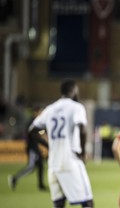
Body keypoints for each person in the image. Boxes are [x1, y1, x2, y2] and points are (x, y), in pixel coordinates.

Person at [28, 79, 94, 208]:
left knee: (58, 204)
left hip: (53, 163)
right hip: (70, 160)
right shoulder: (76, 107)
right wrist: (82, 152)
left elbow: (32, 131)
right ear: (74, 91)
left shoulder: (50, 109)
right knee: (87, 202)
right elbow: (83, 129)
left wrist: (48, 146)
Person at [8, 106, 48, 191]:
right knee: (31, 166)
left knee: (40, 165)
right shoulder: (32, 122)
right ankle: (14, 178)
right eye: (39, 112)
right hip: (32, 147)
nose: (41, 114)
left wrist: (44, 132)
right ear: (35, 112)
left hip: (35, 146)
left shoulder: (36, 122)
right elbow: (33, 134)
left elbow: (40, 131)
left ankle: (41, 185)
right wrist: (45, 143)